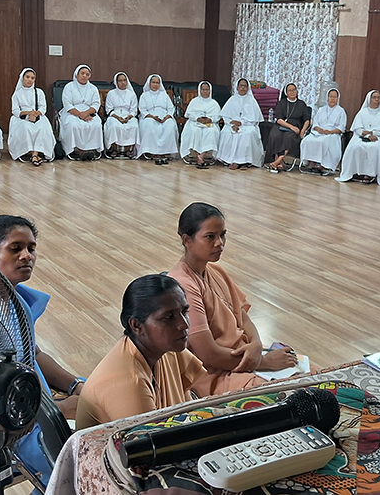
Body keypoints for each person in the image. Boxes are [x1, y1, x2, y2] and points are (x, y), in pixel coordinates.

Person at [0, 215, 85, 486]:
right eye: (15, 248)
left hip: (40, 405)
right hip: (9, 431)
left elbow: (35, 355)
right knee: (91, 459)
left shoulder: (14, 298)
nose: (26, 256)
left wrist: (76, 385)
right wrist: (59, 409)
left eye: (31, 248)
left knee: (104, 393)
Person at [167, 202, 297, 396]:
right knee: (291, 393)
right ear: (187, 240)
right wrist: (263, 362)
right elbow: (208, 354)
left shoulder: (216, 270)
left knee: (314, 375)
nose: (219, 243)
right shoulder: (183, 285)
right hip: (215, 373)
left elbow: (241, 316)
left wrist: (256, 344)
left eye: (222, 235)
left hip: (244, 358)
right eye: (210, 237)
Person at [76, 274, 208, 430]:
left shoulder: (169, 350)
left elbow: (186, 409)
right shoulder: (128, 381)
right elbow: (148, 445)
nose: (184, 325)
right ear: (137, 326)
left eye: (184, 312)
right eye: (169, 317)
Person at [337, 90, 380, 184]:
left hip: (379, 138)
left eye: (378, 97)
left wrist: (373, 133)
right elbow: (357, 129)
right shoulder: (362, 112)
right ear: (369, 99)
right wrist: (368, 135)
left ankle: (371, 174)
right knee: (354, 147)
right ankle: (354, 173)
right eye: (374, 97)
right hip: (362, 136)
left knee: (374, 147)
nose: (377, 100)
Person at [9, 68, 55, 166]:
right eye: (28, 77)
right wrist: (28, 113)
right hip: (21, 117)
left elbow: (43, 108)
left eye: (32, 78)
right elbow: (15, 111)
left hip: (37, 116)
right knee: (26, 128)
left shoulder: (39, 92)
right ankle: (30, 153)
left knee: (42, 127)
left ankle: (35, 154)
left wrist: (35, 114)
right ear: (22, 78)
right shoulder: (17, 94)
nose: (30, 80)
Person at [59, 64, 104, 161]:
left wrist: (86, 113)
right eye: (82, 73)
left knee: (96, 124)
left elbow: (96, 104)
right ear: (77, 74)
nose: (84, 76)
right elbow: (67, 104)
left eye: (87, 74)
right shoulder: (69, 87)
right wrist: (80, 115)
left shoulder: (93, 88)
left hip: (89, 112)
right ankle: (79, 151)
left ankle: (91, 150)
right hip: (72, 112)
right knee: (73, 124)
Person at [218, 78, 264, 170]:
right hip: (231, 125)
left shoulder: (252, 101)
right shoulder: (232, 100)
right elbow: (225, 116)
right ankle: (228, 159)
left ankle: (243, 161)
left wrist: (241, 123)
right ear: (237, 87)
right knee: (227, 132)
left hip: (248, 125)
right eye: (241, 86)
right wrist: (232, 124)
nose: (242, 88)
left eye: (245, 86)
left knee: (247, 134)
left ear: (248, 88)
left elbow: (254, 120)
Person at [299, 88, 345, 174]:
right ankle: (312, 165)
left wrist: (330, 132)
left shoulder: (341, 111)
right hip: (319, 132)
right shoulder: (321, 110)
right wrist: (319, 129)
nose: (333, 99)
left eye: (335, 97)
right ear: (327, 98)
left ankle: (322, 166)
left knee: (323, 142)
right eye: (331, 96)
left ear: (338, 99)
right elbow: (315, 123)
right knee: (307, 140)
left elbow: (341, 127)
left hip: (332, 134)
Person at [265, 83, 310, 171]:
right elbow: (278, 119)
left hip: (296, 127)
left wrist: (302, 131)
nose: (292, 92)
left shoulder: (301, 104)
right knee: (275, 135)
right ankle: (279, 162)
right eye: (290, 90)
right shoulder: (282, 103)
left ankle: (278, 161)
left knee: (288, 137)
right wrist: (291, 127)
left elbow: (307, 120)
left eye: (294, 90)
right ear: (286, 93)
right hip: (282, 125)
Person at [137, 74, 178, 164]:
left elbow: (171, 108)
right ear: (149, 83)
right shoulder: (144, 95)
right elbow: (142, 109)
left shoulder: (164, 95)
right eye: (153, 82)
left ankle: (164, 151)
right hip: (149, 116)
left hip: (164, 115)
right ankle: (152, 151)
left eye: (157, 83)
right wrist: (152, 116)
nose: (155, 85)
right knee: (150, 125)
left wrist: (167, 116)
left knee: (170, 125)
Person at [180, 81, 221, 168]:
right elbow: (188, 114)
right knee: (195, 131)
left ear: (210, 91)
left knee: (212, 132)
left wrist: (210, 119)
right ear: (199, 90)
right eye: (203, 89)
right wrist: (197, 118)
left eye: (207, 89)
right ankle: (199, 156)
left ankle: (201, 157)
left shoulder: (214, 103)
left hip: (210, 124)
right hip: (195, 123)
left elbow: (218, 116)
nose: (205, 91)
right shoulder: (194, 101)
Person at [103, 72, 139, 159]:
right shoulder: (111, 93)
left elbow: (134, 110)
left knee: (134, 125)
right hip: (115, 115)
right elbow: (109, 109)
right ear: (116, 82)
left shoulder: (132, 94)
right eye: (120, 81)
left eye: (124, 80)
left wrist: (128, 117)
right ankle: (114, 149)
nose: (123, 82)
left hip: (128, 115)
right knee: (114, 125)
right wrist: (118, 117)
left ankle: (128, 150)